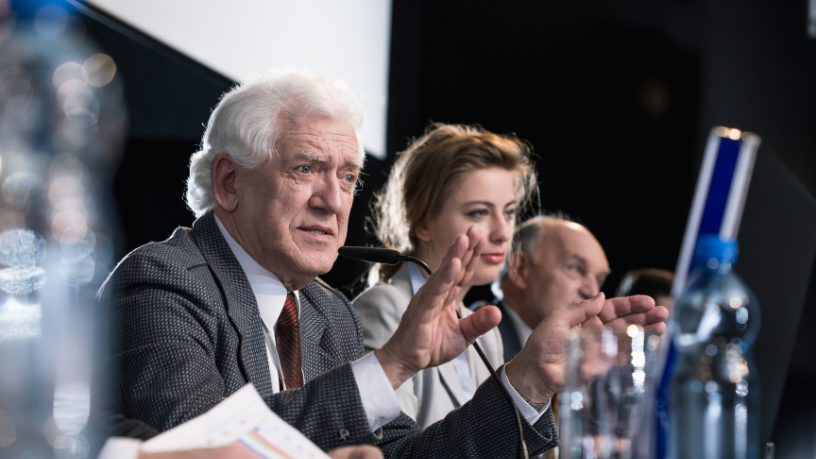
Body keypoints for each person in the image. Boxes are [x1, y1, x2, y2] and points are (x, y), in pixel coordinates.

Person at [99, 69, 668, 458]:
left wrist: (529, 380)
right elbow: (211, 449)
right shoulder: (163, 282)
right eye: (305, 169)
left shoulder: (327, 312)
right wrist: (391, 363)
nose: (333, 200)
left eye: (348, 176)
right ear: (229, 182)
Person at [353, 123, 533, 428]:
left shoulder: (486, 336)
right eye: (479, 212)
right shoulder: (386, 307)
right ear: (422, 222)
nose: (503, 233)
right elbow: (391, 445)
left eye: (509, 212)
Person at [490, 215, 611, 361]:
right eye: (576, 268)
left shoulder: (582, 358)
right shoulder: (476, 343)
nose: (592, 292)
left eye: (598, 280)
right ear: (520, 269)